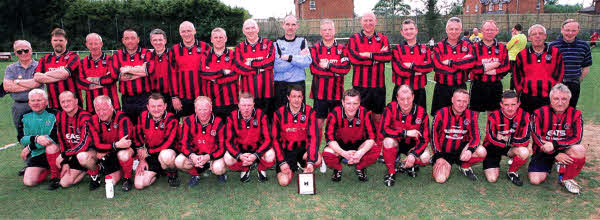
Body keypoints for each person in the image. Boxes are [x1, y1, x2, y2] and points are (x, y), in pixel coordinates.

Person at [529, 83, 585, 194]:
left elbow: (577, 138)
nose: (560, 103)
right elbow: (537, 138)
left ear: (569, 99)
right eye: (556, 99)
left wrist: (554, 144)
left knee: (579, 149)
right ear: (550, 99)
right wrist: (555, 154)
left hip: (563, 149)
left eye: (564, 99)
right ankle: (555, 162)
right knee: (535, 180)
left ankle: (565, 178)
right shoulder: (538, 113)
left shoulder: (576, 114)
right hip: (543, 151)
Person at [322, 89, 379, 182]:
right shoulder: (335, 113)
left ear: (359, 103)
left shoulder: (365, 113)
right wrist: (343, 153)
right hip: (340, 145)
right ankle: (337, 169)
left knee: (375, 149)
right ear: (343, 102)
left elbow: (372, 138)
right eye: (348, 103)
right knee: (327, 153)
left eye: (355, 103)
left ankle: (360, 167)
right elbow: (329, 139)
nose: (351, 107)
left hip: (358, 145)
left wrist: (360, 153)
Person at [347, 12, 391, 128]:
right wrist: (376, 59)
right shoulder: (354, 39)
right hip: (360, 85)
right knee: (360, 115)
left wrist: (368, 55)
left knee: (378, 116)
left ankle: (376, 143)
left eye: (371, 20)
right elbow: (354, 58)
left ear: (376, 21)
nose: (368, 23)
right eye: (365, 20)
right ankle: (361, 142)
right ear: (361, 22)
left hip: (378, 85)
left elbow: (388, 56)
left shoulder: (383, 38)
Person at [431, 89, 486, 183]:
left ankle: (464, 165)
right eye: (458, 100)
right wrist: (439, 155)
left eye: (465, 101)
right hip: (445, 153)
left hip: (461, 151)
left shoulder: (471, 115)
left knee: (482, 151)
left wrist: (470, 150)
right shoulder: (441, 113)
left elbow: (476, 136)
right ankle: (437, 161)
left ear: (468, 102)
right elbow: (433, 136)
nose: (461, 104)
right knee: (440, 179)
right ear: (452, 100)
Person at [308, 19, 351, 137]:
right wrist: (336, 72)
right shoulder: (315, 48)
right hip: (319, 94)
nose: (327, 32)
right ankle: (316, 153)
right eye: (324, 30)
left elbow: (346, 69)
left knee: (336, 125)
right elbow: (314, 70)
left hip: (336, 94)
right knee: (318, 124)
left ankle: (335, 153)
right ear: (321, 32)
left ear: (334, 31)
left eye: (330, 29)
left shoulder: (342, 49)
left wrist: (328, 65)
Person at [381, 85, 430, 186]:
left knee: (425, 157)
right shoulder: (390, 108)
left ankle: (409, 164)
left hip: (412, 146)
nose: (406, 102)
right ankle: (391, 171)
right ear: (397, 98)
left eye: (408, 98)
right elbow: (383, 130)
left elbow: (425, 139)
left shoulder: (422, 113)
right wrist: (405, 133)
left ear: (413, 96)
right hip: (396, 143)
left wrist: (413, 154)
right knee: (387, 141)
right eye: (402, 99)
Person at [272, 85, 321, 186]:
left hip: (303, 151)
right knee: (283, 182)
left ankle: (305, 164)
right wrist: (281, 162)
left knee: (317, 160)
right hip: (287, 151)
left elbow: (314, 136)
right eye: (293, 96)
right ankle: (291, 166)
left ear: (303, 98)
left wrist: (311, 162)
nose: (296, 100)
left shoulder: (310, 112)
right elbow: (275, 139)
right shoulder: (279, 113)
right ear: (288, 97)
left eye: (299, 96)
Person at [223, 92, 275, 182]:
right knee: (228, 159)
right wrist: (239, 155)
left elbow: (268, 139)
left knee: (271, 155)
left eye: (249, 105)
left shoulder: (261, 115)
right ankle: (245, 167)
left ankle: (260, 167)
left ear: (253, 105)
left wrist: (256, 155)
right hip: (240, 150)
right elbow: (227, 141)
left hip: (257, 149)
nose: (246, 108)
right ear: (238, 105)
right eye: (243, 105)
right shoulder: (231, 117)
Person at [176, 96, 227, 187]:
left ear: (211, 108)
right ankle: (195, 174)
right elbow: (184, 144)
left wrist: (209, 157)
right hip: (196, 156)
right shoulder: (188, 121)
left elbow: (222, 147)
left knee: (218, 168)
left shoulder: (218, 122)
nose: (203, 113)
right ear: (195, 109)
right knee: (179, 161)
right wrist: (193, 156)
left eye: (205, 109)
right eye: (200, 109)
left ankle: (220, 173)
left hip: (211, 156)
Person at [482, 90, 530, 186]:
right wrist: (512, 141)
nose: (510, 108)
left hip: (510, 148)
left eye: (513, 104)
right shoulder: (494, 116)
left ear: (518, 104)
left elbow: (526, 139)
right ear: (501, 104)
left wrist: (506, 139)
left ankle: (512, 172)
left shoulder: (525, 115)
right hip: (493, 149)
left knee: (524, 152)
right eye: (506, 104)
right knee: (492, 179)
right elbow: (491, 138)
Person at [89, 96, 136, 191]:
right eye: (98, 110)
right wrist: (115, 145)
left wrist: (109, 148)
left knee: (123, 154)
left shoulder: (123, 118)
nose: (101, 113)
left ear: (111, 107)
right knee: (111, 181)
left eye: (104, 109)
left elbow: (125, 144)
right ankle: (101, 171)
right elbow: (95, 145)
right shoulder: (92, 121)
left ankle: (127, 178)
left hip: (119, 151)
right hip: (109, 153)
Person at [514, 24, 564, 113]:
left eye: (540, 33)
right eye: (534, 34)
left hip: (548, 97)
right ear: (529, 38)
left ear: (545, 36)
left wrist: (555, 91)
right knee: (528, 123)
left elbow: (560, 73)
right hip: (527, 96)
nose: (537, 36)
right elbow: (517, 75)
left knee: (546, 123)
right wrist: (520, 91)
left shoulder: (555, 53)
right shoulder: (522, 55)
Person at [431, 17, 476, 116]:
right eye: (451, 29)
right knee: (440, 118)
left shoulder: (467, 45)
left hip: (460, 87)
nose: (454, 31)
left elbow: (471, 62)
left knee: (461, 119)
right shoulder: (438, 46)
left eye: (456, 29)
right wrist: (461, 63)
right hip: (442, 88)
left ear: (461, 30)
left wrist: (451, 63)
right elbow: (438, 67)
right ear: (446, 30)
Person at [133, 93, 179, 190]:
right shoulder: (143, 116)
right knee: (139, 184)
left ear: (165, 106)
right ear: (148, 107)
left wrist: (148, 152)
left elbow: (169, 143)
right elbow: (137, 137)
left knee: (166, 155)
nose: (156, 109)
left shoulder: (171, 119)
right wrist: (142, 159)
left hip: (167, 152)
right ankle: (157, 172)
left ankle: (172, 174)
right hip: (151, 156)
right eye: (153, 106)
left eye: (159, 106)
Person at [54, 91, 97, 190]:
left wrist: (65, 155)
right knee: (64, 183)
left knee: (82, 157)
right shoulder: (60, 117)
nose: (66, 104)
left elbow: (84, 145)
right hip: (73, 154)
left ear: (76, 101)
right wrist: (65, 162)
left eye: (69, 101)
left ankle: (96, 170)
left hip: (88, 152)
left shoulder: (85, 117)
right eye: (63, 102)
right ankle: (86, 169)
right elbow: (62, 140)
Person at [233, 19, 276, 118]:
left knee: (268, 122)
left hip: (267, 91)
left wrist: (251, 62)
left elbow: (271, 62)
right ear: (243, 31)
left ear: (258, 29)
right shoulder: (239, 47)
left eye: (253, 28)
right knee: (250, 124)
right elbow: (239, 67)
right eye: (247, 28)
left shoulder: (268, 43)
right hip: (248, 95)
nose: (250, 30)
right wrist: (259, 68)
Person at [170, 21, 211, 118]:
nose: (186, 34)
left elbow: (211, 71)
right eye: (183, 31)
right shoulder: (174, 50)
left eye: (189, 30)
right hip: (183, 96)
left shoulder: (205, 47)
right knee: (187, 125)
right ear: (180, 33)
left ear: (195, 31)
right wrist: (174, 97)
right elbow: (172, 75)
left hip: (202, 95)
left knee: (204, 122)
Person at [33, 28, 81, 111]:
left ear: (66, 41)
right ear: (51, 42)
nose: (58, 43)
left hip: (73, 105)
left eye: (61, 40)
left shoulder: (73, 57)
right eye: (55, 40)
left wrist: (45, 75)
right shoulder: (45, 59)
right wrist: (59, 74)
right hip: (53, 105)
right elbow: (37, 77)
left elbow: (64, 74)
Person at [469, 20, 510, 116]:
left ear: (497, 31)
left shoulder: (502, 48)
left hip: (495, 85)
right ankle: (473, 132)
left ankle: (491, 132)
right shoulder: (474, 47)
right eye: (487, 30)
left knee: (494, 116)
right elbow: (473, 68)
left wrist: (495, 71)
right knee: (473, 115)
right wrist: (494, 65)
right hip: (478, 85)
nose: (489, 32)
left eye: (492, 30)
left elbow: (506, 66)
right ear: (481, 31)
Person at [4, 40, 41, 144]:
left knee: (41, 135)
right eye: (19, 51)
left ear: (31, 50)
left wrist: (18, 82)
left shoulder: (39, 65)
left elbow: (36, 84)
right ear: (15, 53)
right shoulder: (10, 68)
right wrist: (30, 85)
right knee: (23, 136)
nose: (23, 53)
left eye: (26, 50)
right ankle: (28, 158)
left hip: (38, 105)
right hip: (19, 106)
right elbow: (7, 86)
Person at [18, 89, 57, 187]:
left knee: (51, 146)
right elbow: (22, 139)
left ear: (46, 102)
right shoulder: (24, 117)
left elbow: (54, 137)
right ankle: (46, 169)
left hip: (55, 152)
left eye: (39, 100)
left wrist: (30, 147)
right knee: (29, 182)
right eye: (33, 100)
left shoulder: (55, 114)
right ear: (29, 103)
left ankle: (55, 176)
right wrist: (36, 138)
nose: (36, 103)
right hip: (37, 155)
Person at [549, 19, 592, 108]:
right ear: (562, 29)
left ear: (578, 30)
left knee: (571, 110)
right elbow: (546, 66)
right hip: (556, 84)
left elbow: (586, 67)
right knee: (555, 109)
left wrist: (578, 80)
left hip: (574, 84)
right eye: (567, 30)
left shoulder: (584, 46)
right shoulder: (552, 46)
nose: (570, 33)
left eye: (574, 31)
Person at [114, 29, 154, 125]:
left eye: (133, 38)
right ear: (123, 40)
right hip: (127, 99)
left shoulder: (147, 52)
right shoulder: (117, 55)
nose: (130, 41)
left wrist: (126, 69)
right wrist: (140, 70)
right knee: (129, 126)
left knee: (145, 125)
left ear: (138, 39)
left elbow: (149, 70)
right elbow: (115, 74)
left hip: (144, 97)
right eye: (127, 38)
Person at [391, 19, 433, 109]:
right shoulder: (396, 49)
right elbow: (399, 70)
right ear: (402, 32)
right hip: (400, 90)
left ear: (416, 30)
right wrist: (417, 72)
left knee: (420, 118)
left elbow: (429, 67)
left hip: (419, 90)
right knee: (397, 119)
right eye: (406, 29)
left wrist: (411, 65)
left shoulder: (424, 49)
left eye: (411, 29)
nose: (409, 32)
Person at [199, 28, 239, 120]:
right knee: (215, 131)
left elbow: (234, 75)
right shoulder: (205, 55)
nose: (218, 39)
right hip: (212, 102)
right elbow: (203, 74)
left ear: (226, 38)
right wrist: (222, 72)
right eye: (215, 37)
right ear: (211, 39)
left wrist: (214, 79)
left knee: (230, 131)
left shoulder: (233, 54)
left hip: (231, 101)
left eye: (221, 37)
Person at [273, 15, 312, 109]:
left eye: (293, 24)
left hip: (298, 83)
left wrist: (289, 57)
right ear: (283, 25)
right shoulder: (277, 42)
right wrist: (298, 59)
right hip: (281, 84)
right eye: (288, 24)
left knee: (299, 115)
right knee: (281, 115)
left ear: (297, 26)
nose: (290, 27)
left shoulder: (302, 41)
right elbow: (277, 66)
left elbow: (307, 62)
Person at [77, 33, 120, 112]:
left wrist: (90, 80)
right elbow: (80, 82)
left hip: (112, 104)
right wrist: (103, 81)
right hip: (91, 107)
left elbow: (112, 78)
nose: (93, 46)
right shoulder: (82, 62)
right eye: (90, 44)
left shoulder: (111, 60)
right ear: (86, 45)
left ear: (101, 44)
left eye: (96, 43)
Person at [148, 29, 175, 112]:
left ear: (165, 41)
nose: (158, 42)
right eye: (155, 40)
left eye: (160, 40)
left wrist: (175, 96)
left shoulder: (173, 55)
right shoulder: (148, 56)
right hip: (154, 95)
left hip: (170, 95)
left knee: (171, 120)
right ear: (151, 42)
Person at [506, 24, 527, 90]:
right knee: (519, 74)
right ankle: (520, 88)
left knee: (513, 75)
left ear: (515, 29)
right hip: (521, 58)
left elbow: (508, 46)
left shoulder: (515, 37)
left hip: (513, 57)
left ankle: (511, 90)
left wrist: (512, 37)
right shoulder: (524, 37)